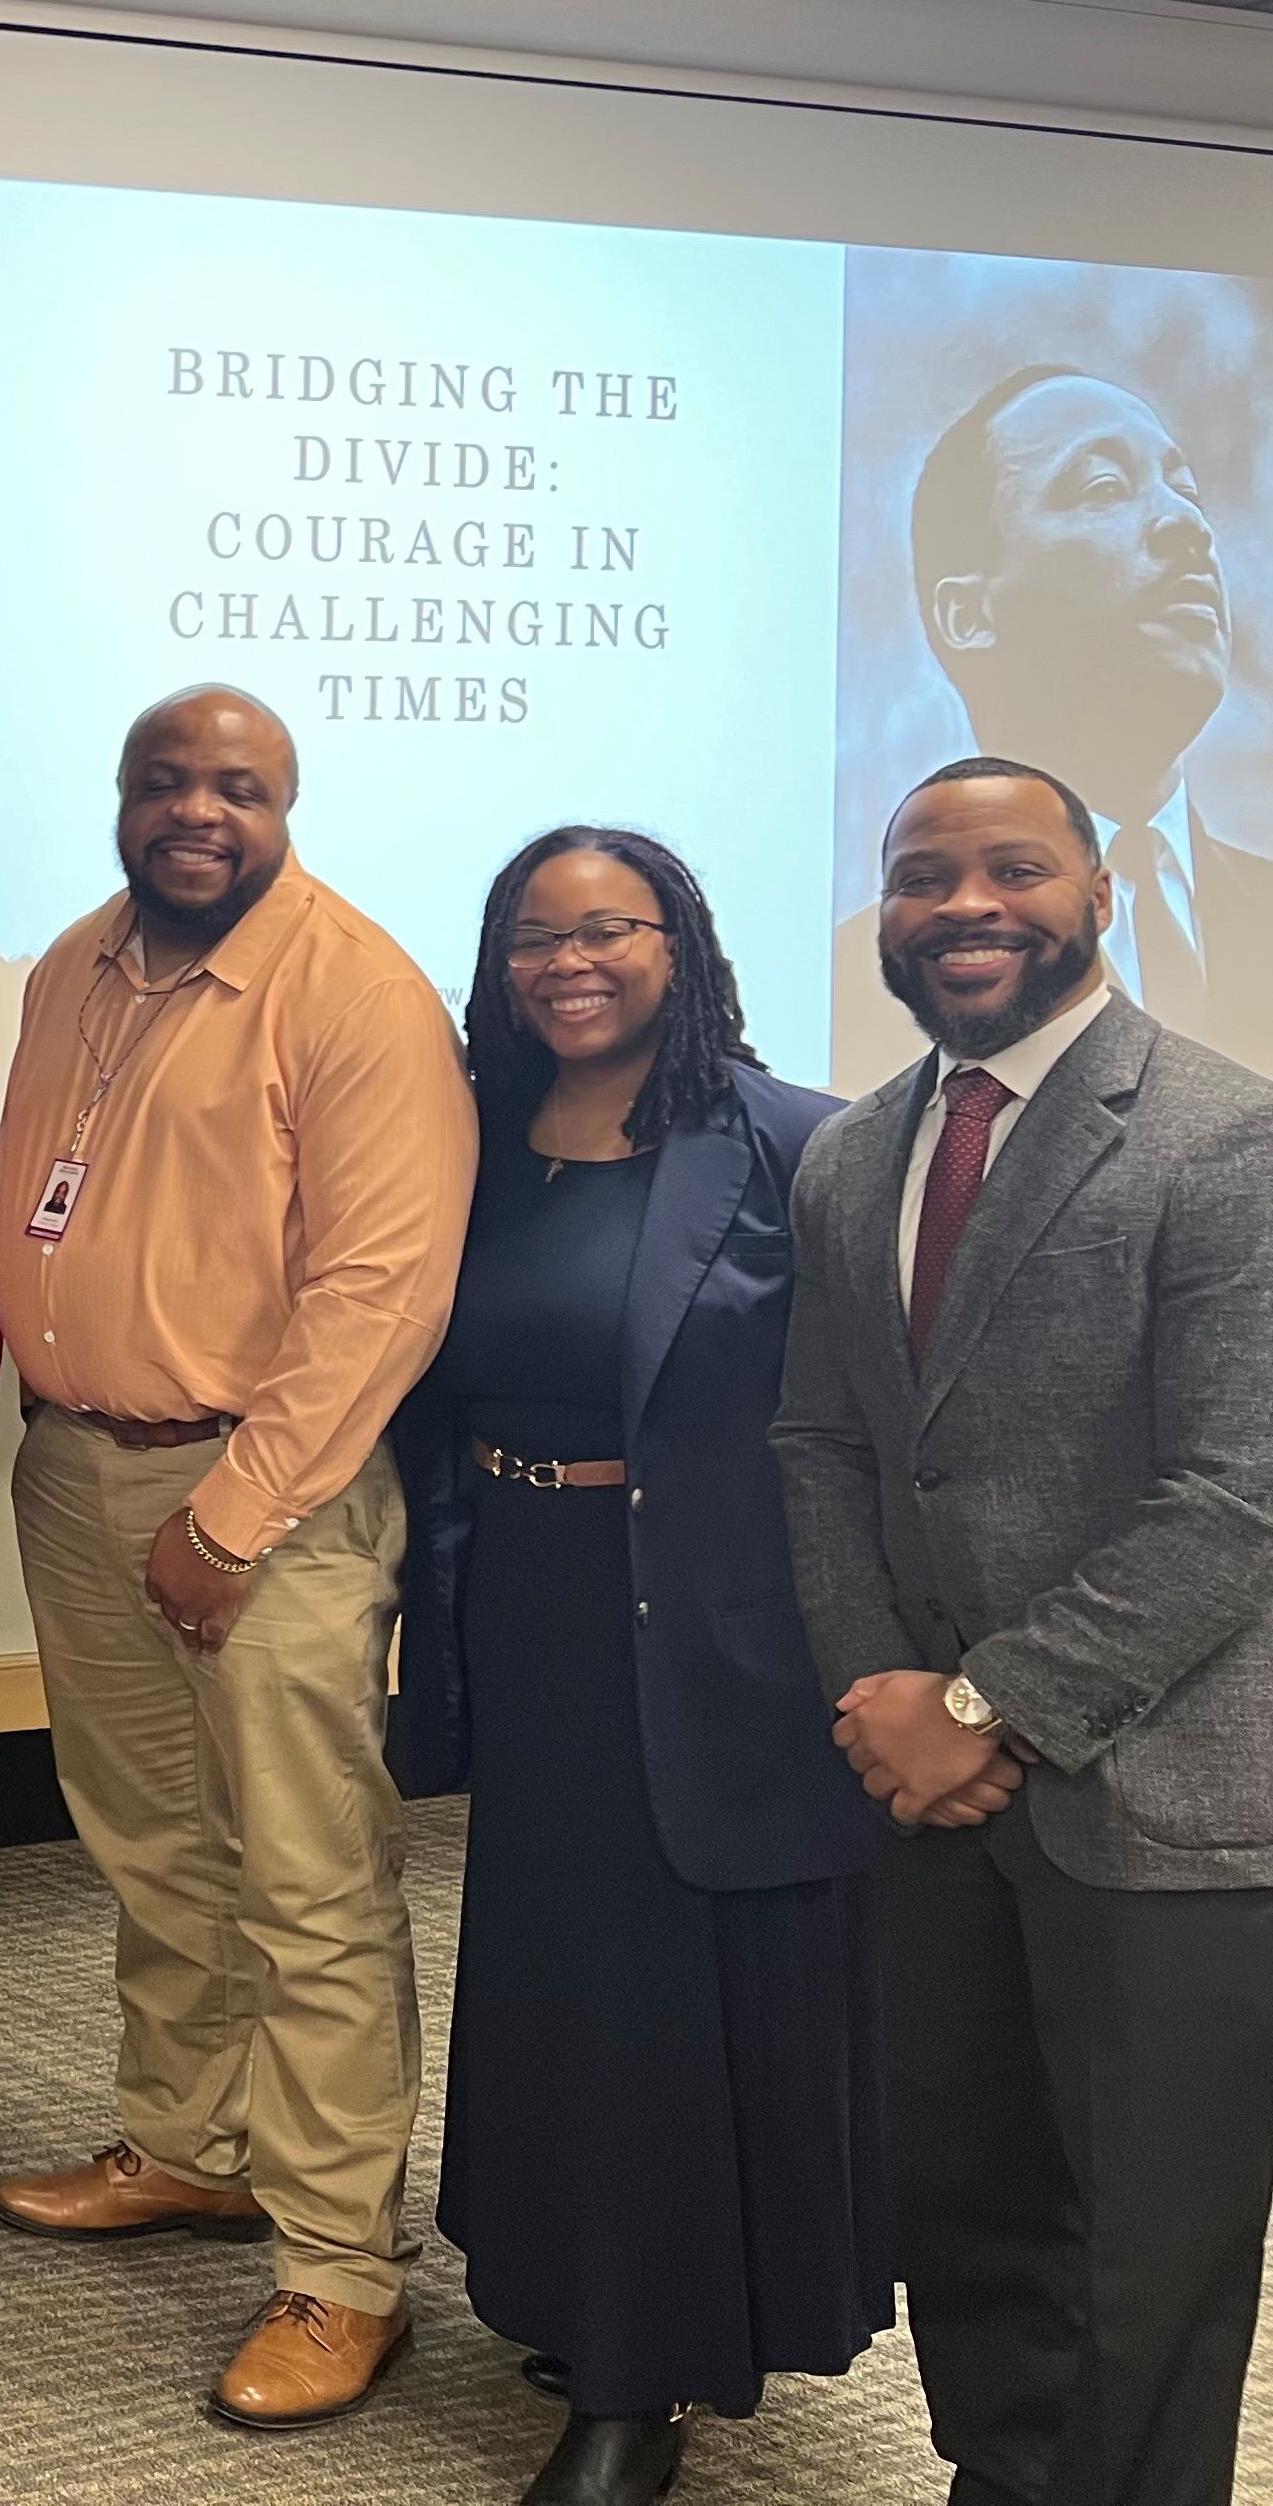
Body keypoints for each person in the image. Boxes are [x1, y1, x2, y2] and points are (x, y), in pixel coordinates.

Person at [777, 754, 1273, 2506]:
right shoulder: (852, 1151)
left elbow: (1238, 1494)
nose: (964, 904)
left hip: (1159, 1797)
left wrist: (986, 1701)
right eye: (923, 875)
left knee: (1144, 2249)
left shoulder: (1225, 1134)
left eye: (1009, 868)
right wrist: (875, 1689)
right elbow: (821, 1440)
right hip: (928, 1792)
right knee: (968, 2200)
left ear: (1095, 892)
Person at [0, 684, 473, 2430]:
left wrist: (238, 1510)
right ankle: (190, 2142)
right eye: (165, 780)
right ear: (120, 796)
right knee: (149, 1844)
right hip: (80, 1471)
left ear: (286, 804)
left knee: (309, 1878)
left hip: (265, 1494)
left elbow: (380, 1292)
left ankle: (342, 2263)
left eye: (238, 786)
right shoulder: (68, 966)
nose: (198, 810)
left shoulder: (355, 990)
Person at [389, 828, 888, 2506]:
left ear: (679, 941)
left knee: (669, 1990)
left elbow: (864, 1424)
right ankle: (567, 2285)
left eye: (608, 926)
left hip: (710, 1613)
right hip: (518, 1600)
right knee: (549, 1969)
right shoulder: (459, 1140)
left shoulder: (789, 1141)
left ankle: (644, 2366)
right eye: (532, 932)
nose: (567, 960)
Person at [834, 367, 1269, 1082]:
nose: (1187, 526)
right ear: (970, 615)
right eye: (1103, 488)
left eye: (1186, 491)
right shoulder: (851, 983)